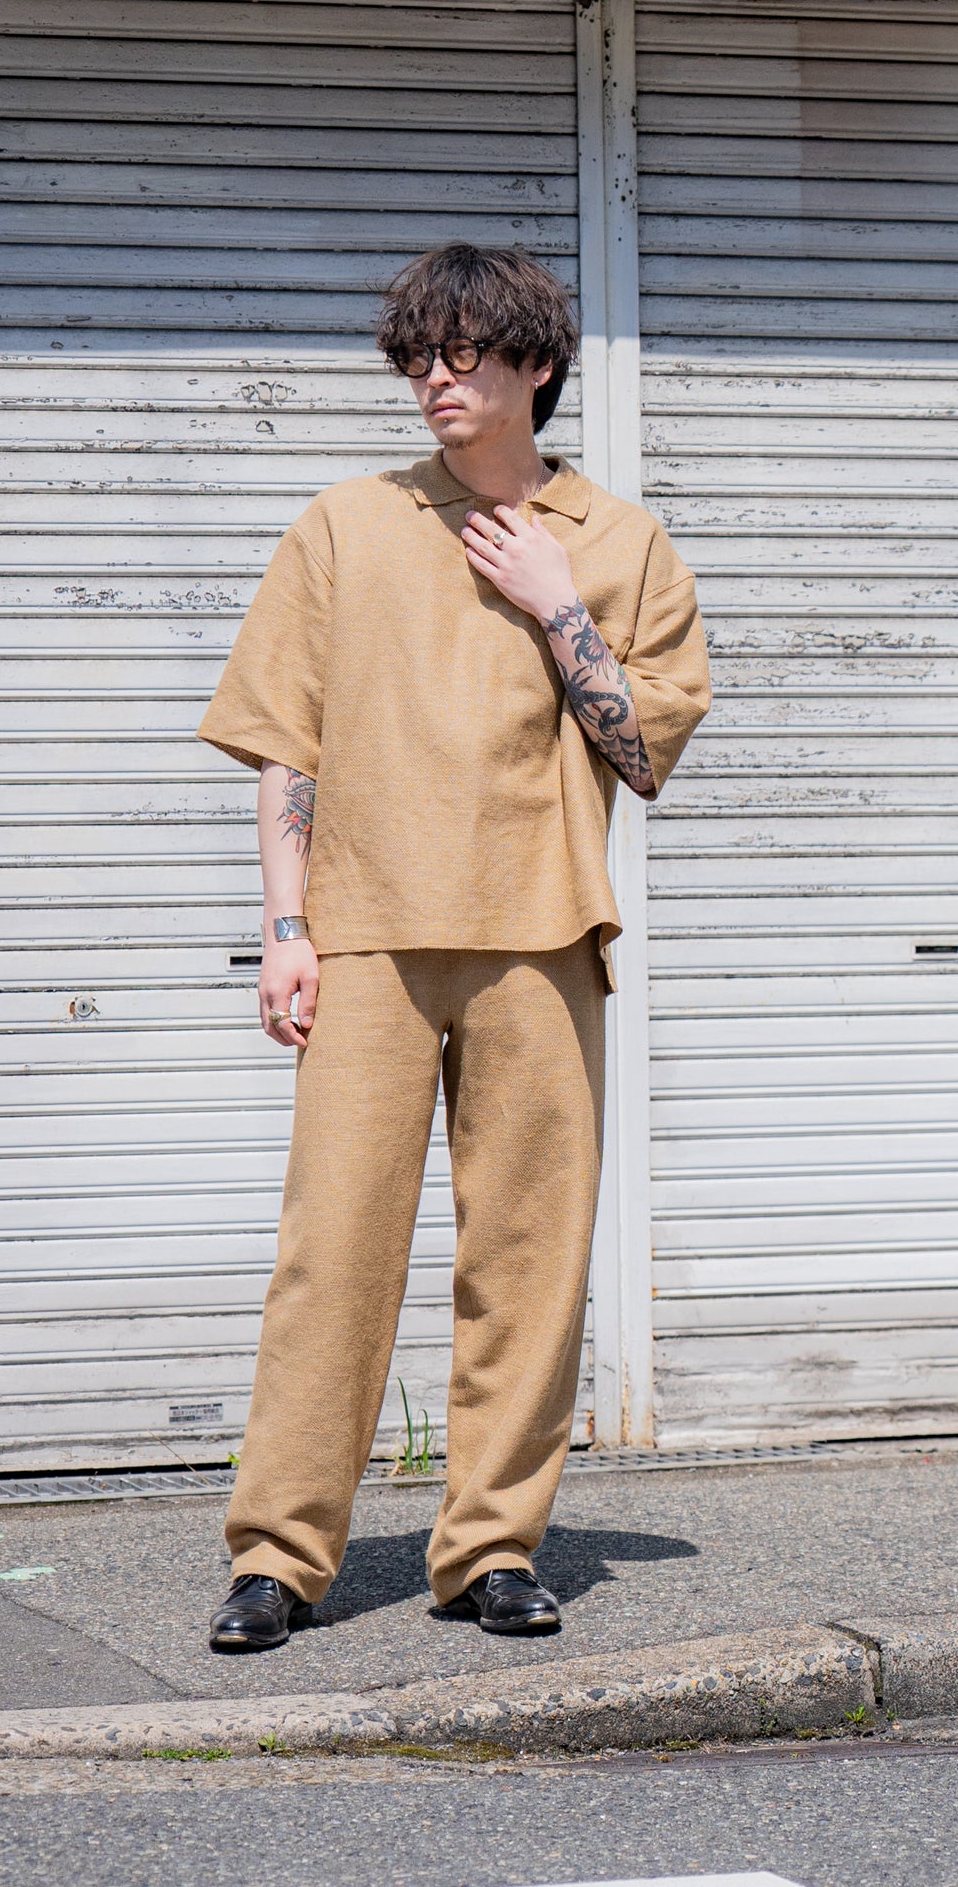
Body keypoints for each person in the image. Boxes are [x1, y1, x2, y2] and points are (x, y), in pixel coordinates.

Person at [196, 243, 710, 1654]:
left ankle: (490, 1549)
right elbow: (285, 745)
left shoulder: (618, 543)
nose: (435, 377)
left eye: (464, 352)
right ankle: (278, 1557)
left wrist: (557, 601)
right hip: (365, 934)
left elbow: (644, 754)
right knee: (331, 1256)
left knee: (528, 1261)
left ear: (535, 365)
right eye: (417, 354)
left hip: (541, 932)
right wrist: (284, 928)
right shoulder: (346, 525)